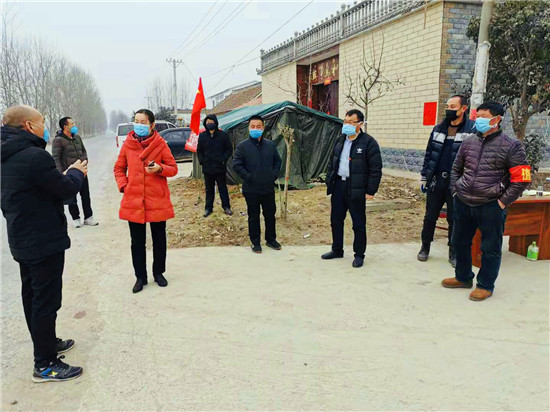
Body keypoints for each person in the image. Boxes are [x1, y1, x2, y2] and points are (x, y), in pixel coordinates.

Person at [1, 105, 88, 382]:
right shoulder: (34, 156)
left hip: (21, 237)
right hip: (43, 239)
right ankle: (45, 363)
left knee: (32, 296)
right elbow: (65, 190)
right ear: (29, 126)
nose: (44, 127)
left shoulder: (6, 154)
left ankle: (47, 344)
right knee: (46, 301)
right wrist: (76, 172)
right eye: (41, 122)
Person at [443, 101, 531, 301]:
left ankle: (485, 285)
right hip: (464, 202)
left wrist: (502, 202)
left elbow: (522, 179)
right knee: (459, 242)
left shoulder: (511, 146)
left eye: (484, 117)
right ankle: (463, 277)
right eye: (477, 116)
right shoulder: (469, 142)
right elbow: (456, 169)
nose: (478, 120)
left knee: (489, 248)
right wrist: (456, 191)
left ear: (496, 119)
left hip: (490, 205)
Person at [114, 109, 178, 293]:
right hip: (134, 200)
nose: (139, 125)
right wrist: (124, 186)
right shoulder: (128, 145)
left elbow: (173, 168)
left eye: (143, 122)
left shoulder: (160, 144)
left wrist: (159, 168)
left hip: (156, 199)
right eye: (136, 121)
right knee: (137, 242)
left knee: (159, 240)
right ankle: (140, 277)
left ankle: (159, 273)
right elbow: (119, 168)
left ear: (152, 125)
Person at [418, 95, 476, 266]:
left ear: (463, 108)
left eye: (453, 106)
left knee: (454, 218)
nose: (448, 109)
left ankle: (453, 252)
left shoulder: (471, 130)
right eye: (448, 106)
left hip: (457, 183)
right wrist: (424, 176)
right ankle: (425, 247)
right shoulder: (438, 129)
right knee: (430, 217)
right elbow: (429, 154)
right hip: (436, 181)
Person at [321, 109, 383, 268]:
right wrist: (329, 180)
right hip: (338, 186)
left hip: (356, 188)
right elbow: (332, 162)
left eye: (350, 122)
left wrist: (370, 190)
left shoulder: (368, 142)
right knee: (336, 220)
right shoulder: (340, 140)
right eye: (345, 121)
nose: (346, 125)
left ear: (359, 124)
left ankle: (359, 255)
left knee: (358, 223)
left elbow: (375, 169)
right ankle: (337, 250)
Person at [232, 115, 282, 254]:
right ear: (249, 128)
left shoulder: (270, 145)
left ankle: (271, 239)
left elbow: (278, 161)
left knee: (270, 215)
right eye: (252, 126)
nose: (255, 129)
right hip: (251, 189)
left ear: (263, 127)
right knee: (253, 216)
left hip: (268, 187)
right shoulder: (243, 146)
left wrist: (273, 175)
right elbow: (237, 165)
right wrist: (248, 177)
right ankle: (255, 242)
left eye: (258, 126)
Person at [52, 116, 98, 228]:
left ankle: (88, 217)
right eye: (72, 123)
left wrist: (85, 162)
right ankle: (76, 218)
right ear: (65, 127)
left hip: (82, 171)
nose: (74, 125)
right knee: (71, 197)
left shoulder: (77, 137)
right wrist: (61, 173)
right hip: (69, 173)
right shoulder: (58, 140)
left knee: (85, 195)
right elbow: (56, 158)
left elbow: (83, 151)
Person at [197, 114, 233, 217]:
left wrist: (223, 159)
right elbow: (199, 150)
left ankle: (226, 207)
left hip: (219, 167)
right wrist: (202, 161)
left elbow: (229, 149)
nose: (209, 124)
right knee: (209, 189)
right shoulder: (202, 136)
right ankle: (208, 208)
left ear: (215, 123)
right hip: (207, 168)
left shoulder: (223, 135)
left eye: (211, 122)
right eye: (207, 122)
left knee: (223, 189)